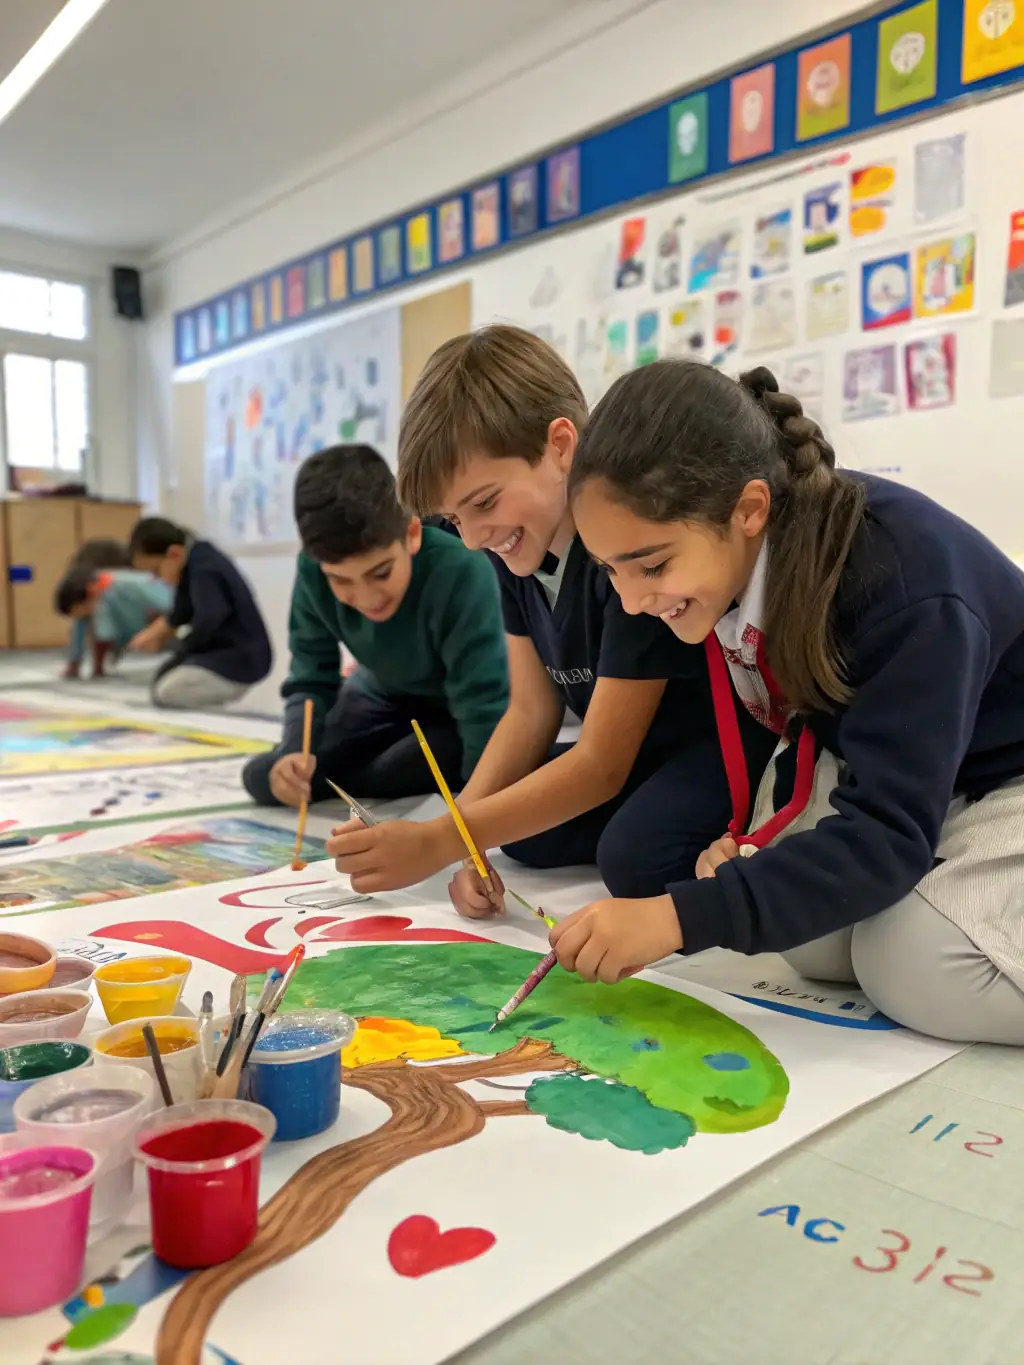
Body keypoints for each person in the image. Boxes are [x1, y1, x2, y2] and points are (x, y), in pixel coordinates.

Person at [549, 358, 1024, 1046]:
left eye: (650, 566)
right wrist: (751, 838)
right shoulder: (749, 558)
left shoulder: (903, 583)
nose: (631, 600)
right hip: (943, 770)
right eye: (611, 570)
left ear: (748, 509)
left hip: (1005, 769)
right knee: (817, 944)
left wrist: (677, 918)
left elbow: (887, 832)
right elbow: (808, 726)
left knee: (916, 965)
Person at [326, 327, 775, 909]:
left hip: (711, 745)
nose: (471, 539)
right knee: (525, 834)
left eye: (484, 502)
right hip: (635, 756)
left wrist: (441, 839)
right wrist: (465, 839)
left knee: (633, 860)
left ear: (560, 445)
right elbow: (530, 710)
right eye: (454, 519)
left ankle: (742, 832)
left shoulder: (623, 557)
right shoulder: (515, 549)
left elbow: (601, 766)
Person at [241, 444, 509, 808]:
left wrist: (482, 810)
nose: (367, 598)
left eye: (380, 572)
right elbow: (310, 677)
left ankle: (354, 779)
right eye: (341, 580)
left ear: (412, 534)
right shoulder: (313, 571)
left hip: (452, 709)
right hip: (377, 694)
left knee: (410, 765)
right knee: (264, 777)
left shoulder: (461, 572)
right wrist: (293, 753)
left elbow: (483, 705)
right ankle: (343, 777)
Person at [128, 517, 272, 710]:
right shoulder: (193, 561)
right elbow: (179, 613)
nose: (156, 579)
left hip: (239, 660)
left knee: (167, 692)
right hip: (226, 654)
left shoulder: (205, 568)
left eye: (156, 570)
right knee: (160, 680)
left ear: (174, 554)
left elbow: (209, 619)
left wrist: (182, 648)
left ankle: (222, 718)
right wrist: (151, 636)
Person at [55, 564, 174, 679]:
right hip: (134, 635)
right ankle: (93, 666)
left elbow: (177, 607)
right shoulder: (95, 599)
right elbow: (87, 625)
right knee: (89, 615)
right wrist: (74, 663)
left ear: (91, 589)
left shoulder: (131, 584)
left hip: (168, 629)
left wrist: (156, 631)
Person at [58, 538, 131, 678]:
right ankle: (90, 665)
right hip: (95, 588)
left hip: (98, 587)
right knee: (86, 623)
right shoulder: (101, 574)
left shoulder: (100, 569)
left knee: (90, 623)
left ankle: (79, 665)